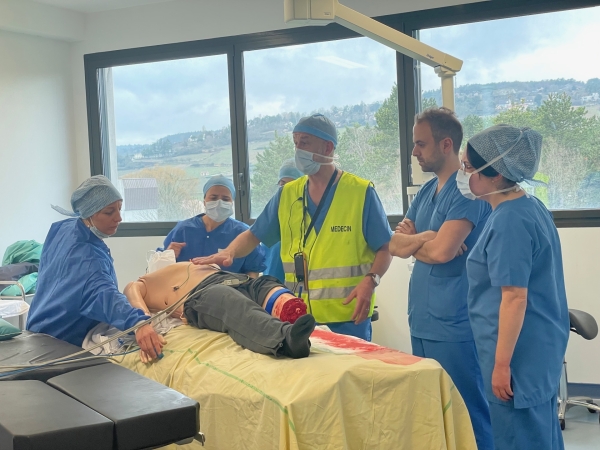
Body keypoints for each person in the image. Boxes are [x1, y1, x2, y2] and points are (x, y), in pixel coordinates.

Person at [193, 114, 392, 341]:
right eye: (296, 143)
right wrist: (228, 252)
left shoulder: (360, 192)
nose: (298, 150)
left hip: (347, 318)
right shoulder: (287, 194)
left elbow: (386, 248)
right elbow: (253, 235)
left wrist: (371, 281)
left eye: (305, 142)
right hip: (297, 317)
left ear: (328, 147)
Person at [389, 107, 494, 449]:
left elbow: (442, 253)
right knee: (436, 415)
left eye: (421, 144)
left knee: (468, 413)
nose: (414, 152)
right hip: (423, 322)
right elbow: (394, 243)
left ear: (446, 144)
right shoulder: (427, 191)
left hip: (456, 326)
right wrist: (426, 237)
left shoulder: (468, 193)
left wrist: (419, 240)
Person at [461, 124, 569, 450]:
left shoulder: (510, 220)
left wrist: (501, 365)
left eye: (467, 168)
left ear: (493, 174)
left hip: (518, 360)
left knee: (520, 439)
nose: (463, 176)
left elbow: (514, 298)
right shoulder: (529, 207)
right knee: (542, 437)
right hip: (537, 351)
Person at [26, 175, 164, 361]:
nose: (119, 218)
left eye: (119, 209)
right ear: (89, 213)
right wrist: (138, 323)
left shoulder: (63, 228)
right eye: (109, 212)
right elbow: (103, 293)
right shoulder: (87, 258)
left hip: (39, 322)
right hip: (62, 338)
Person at [124, 262, 314, 362]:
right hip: (202, 294)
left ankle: (292, 316)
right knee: (232, 303)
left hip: (237, 280)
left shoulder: (182, 265)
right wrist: (143, 322)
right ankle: (286, 340)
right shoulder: (144, 284)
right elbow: (130, 289)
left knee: (268, 284)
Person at [162, 174, 266, 277]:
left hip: (230, 290)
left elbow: (253, 269)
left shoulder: (242, 233)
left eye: (225, 199)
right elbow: (161, 269)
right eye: (214, 198)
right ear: (204, 201)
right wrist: (168, 256)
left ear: (232, 203)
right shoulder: (183, 230)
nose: (219, 202)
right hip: (187, 290)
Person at [263, 159, 304, 282]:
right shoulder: (271, 216)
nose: (286, 189)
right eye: (282, 184)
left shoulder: (310, 218)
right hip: (273, 287)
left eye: (292, 184)